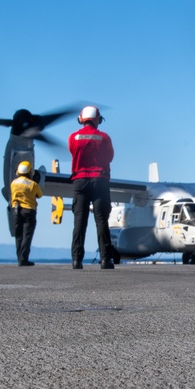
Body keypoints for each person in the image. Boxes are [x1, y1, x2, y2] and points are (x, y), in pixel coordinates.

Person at [68, 106, 115, 270]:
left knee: (79, 222)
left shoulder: (73, 137)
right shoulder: (104, 137)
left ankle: (76, 260)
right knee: (101, 221)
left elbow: (72, 152)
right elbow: (110, 157)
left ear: (81, 119)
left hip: (80, 181)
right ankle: (105, 260)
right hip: (99, 181)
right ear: (98, 120)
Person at [10, 160, 43, 266]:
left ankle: (19, 258)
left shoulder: (13, 183)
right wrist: (36, 181)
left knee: (18, 235)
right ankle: (24, 259)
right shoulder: (32, 184)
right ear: (30, 172)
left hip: (16, 210)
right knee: (27, 235)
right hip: (29, 211)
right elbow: (39, 195)